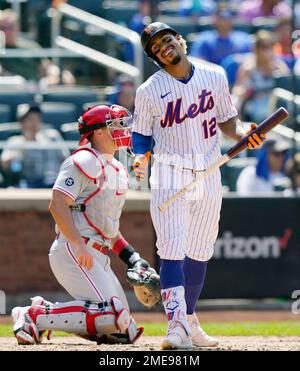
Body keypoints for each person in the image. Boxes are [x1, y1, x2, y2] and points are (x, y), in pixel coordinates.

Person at [132, 22, 266, 350]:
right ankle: (175, 327)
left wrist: (247, 131)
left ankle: (189, 320)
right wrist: (139, 158)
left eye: (167, 39)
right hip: (169, 173)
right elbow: (141, 135)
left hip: (209, 170)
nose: (164, 47)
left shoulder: (215, 75)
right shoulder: (149, 90)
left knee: (201, 249)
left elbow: (228, 122)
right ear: (155, 57)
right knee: (172, 250)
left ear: (180, 40)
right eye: (156, 47)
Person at [11, 103, 160, 345]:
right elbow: (57, 204)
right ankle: (31, 316)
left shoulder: (117, 169)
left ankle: (45, 310)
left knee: (124, 329)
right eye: (115, 124)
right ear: (98, 131)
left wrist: (133, 258)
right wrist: (78, 245)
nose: (123, 129)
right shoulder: (84, 158)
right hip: (75, 249)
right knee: (110, 315)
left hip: (98, 253)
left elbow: (107, 227)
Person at [0, 104, 69, 188]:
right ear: (21, 122)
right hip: (28, 184)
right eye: (30, 119)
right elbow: (5, 166)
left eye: (37, 118)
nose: (34, 122)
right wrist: (23, 146)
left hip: (54, 181)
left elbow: (67, 159)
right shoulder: (15, 141)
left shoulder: (52, 136)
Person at [232, 30, 289, 123]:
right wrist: (243, 92)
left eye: (271, 46)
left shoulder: (279, 66)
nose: (268, 50)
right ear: (256, 49)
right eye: (264, 47)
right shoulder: (248, 67)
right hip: (254, 104)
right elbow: (237, 89)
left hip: (276, 102)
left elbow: (288, 88)